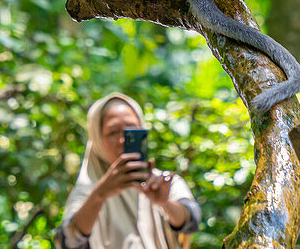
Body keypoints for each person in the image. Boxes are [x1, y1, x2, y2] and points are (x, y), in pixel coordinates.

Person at [56, 93, 201, 249]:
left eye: (132, 130)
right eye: (113, 132)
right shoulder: (88, 189)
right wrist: (101, 194)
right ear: (97, 139)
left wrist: (164, 203)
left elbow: (192, 221)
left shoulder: (164, 182)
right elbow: (67, 242)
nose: (123, 140)